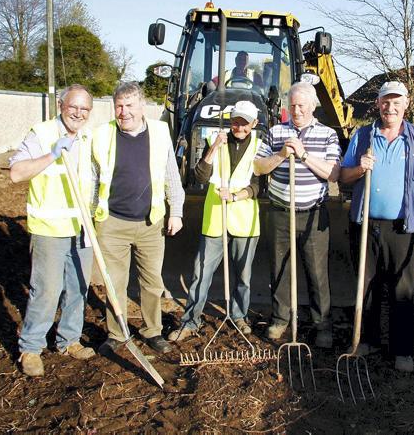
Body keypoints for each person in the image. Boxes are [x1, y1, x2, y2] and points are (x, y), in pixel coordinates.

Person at [339, 80, 414, 373]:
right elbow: (343, 176)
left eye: (396, 102)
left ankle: (402, 349)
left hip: (403, 227)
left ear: (406, 104)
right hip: (366, 223)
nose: (390, 107)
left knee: (402, 288)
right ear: (377, 104)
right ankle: (366, 340)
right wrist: (360, 168)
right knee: (366, 285)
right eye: (385, 102)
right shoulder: (363, 136)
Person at [9, 84, 96, 377]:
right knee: (46, 291)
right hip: (49, 228)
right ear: (61, 105)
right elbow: (16, 173)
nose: (78, 113)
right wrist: (51, 155)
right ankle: (31, 347)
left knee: (78, 288)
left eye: (85, 109)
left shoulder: (87, 137)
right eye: (74, 106)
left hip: (82, 227)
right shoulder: (43, 133)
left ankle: (68, 340)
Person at [92, 82, 185, 355]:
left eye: (130, 105)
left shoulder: (159, 132)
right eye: (119, 106)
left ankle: (152, 331)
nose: (124, 112)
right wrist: (88, 217)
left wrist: (176, 211)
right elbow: (93, 179)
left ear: (142, 106)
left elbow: (171, 175)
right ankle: (117, 333)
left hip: (150, 223)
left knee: (152, 282)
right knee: (114, 283)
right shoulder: (102, 135)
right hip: (112, 223)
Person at [253, 82, 341, 348]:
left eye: (302, 105)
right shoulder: (275, 132)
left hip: (313, 214)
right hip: (280, 212)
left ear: (313, 106)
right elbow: (258, 167)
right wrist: (281, 154)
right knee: (279, 268)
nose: (297, 110)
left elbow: (333, 173)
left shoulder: (328, 135)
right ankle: (280, 319)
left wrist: (303, 155)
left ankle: (321, 324)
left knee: (316, 272)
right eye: (292, 105)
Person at [169, 100, 262, 341]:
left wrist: (233, 196)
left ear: (254, 123)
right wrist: (213, 149)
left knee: (243, 276)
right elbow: (200, 175)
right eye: (235, 121)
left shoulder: (260, 148)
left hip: (244, 222)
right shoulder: (215, 141)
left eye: (244, 122)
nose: (238, 126)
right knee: (201, 273)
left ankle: (239, 316)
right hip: (215, 220)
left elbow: (258, 186)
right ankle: (190, 321)